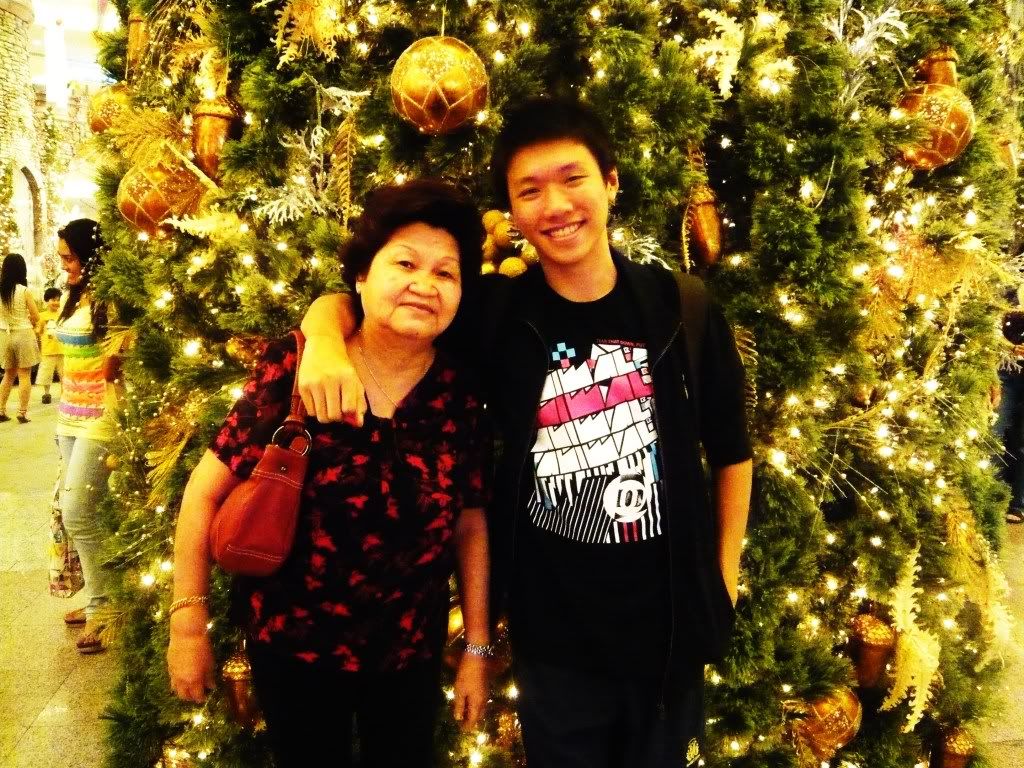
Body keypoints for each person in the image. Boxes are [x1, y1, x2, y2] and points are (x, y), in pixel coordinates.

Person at [297, 97, 754, 768]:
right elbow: (375, 300)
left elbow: (732, 451)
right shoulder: (495, 313)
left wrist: (723, 578)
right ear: (511, 211)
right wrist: (321, 338)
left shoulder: (682, 306)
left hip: (669, 633)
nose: (556, 205)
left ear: (611, 183)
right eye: (530, 190)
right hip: (556, 640)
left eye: (573, 179)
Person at [167, 179, 493, 768]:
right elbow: (203, 492)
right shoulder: (298, 367)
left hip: (410, 656)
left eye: (446, 273)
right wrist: (188, 622)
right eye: (405, 264)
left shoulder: (459, 393)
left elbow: (469, 524)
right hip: (293, 651)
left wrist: (475, 645)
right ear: (362, 277)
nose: (425, 284)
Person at [52, 219, 119, 652]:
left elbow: (116, 364)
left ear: (90, 256)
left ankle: (103, 608)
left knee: (78, 511)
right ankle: (104, 595)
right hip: (69, 417)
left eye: (70, 257)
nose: (65, 266)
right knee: (79, 510)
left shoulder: (111, 301)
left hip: (101, 416)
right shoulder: (73, 296)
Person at [0, 253, 41, 423]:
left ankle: (1, 410)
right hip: (23, 333)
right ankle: (22, 412)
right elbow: (36, 316)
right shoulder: (24, 291)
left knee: (8, 375)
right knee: (24, 375)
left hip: (4, 334)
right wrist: (31, 320)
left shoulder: (1, 291)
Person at [36, 287, 63, 404]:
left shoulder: (63, 315)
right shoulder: (41, 316)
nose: (56, 302)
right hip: (47, 351)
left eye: (58, 300)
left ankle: (64, 394)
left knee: (64, 374)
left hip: (62, 350)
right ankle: (46, 393)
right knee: (46, 374)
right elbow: (38, 331)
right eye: (53, 300)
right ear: (46, 301)